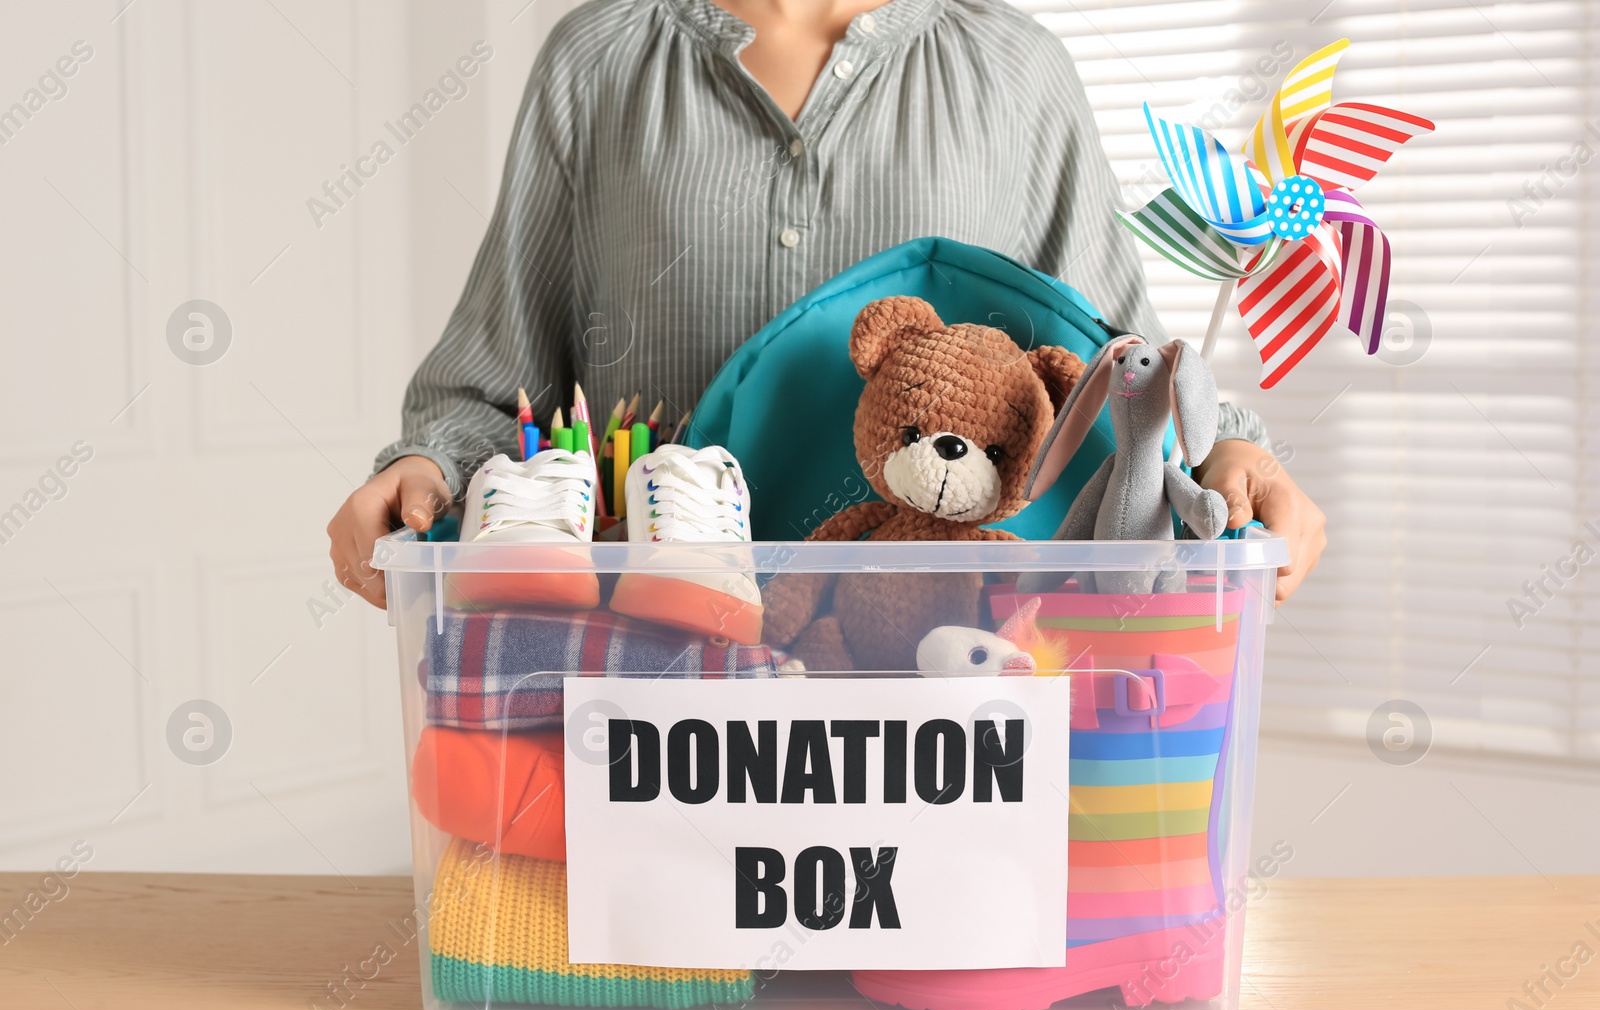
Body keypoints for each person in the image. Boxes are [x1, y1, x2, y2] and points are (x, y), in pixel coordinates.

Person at [327, 0, 1325, 607]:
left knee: (928, 954)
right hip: (647, 658)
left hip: (952, 657)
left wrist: (1231, 449)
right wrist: (423, 463)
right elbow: (495, 375)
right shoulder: (594, 65)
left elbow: (1118, 360)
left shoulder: (1019, 75)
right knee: (668, 947)